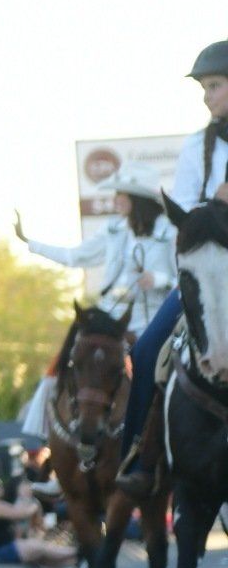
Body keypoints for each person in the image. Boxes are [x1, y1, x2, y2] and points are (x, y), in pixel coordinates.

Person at [121, 40, 228, 456]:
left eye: (214, 86)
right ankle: (139, 457)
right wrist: (216, 208)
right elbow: (182, 215)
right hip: (204, 277)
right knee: (146, 350)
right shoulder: (192, 147)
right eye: (204, 89)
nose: (207, 97)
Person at [17, 175, 173, 336]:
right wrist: (31, 243)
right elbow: (75, 256)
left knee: (151, 355)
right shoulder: (113, 230)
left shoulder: (169, 231)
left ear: (137, 198)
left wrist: (159, 279)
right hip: (110, 312)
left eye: (120, 193)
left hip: (151, 318)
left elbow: (185, 277)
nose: (116, 200)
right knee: (78, 340)